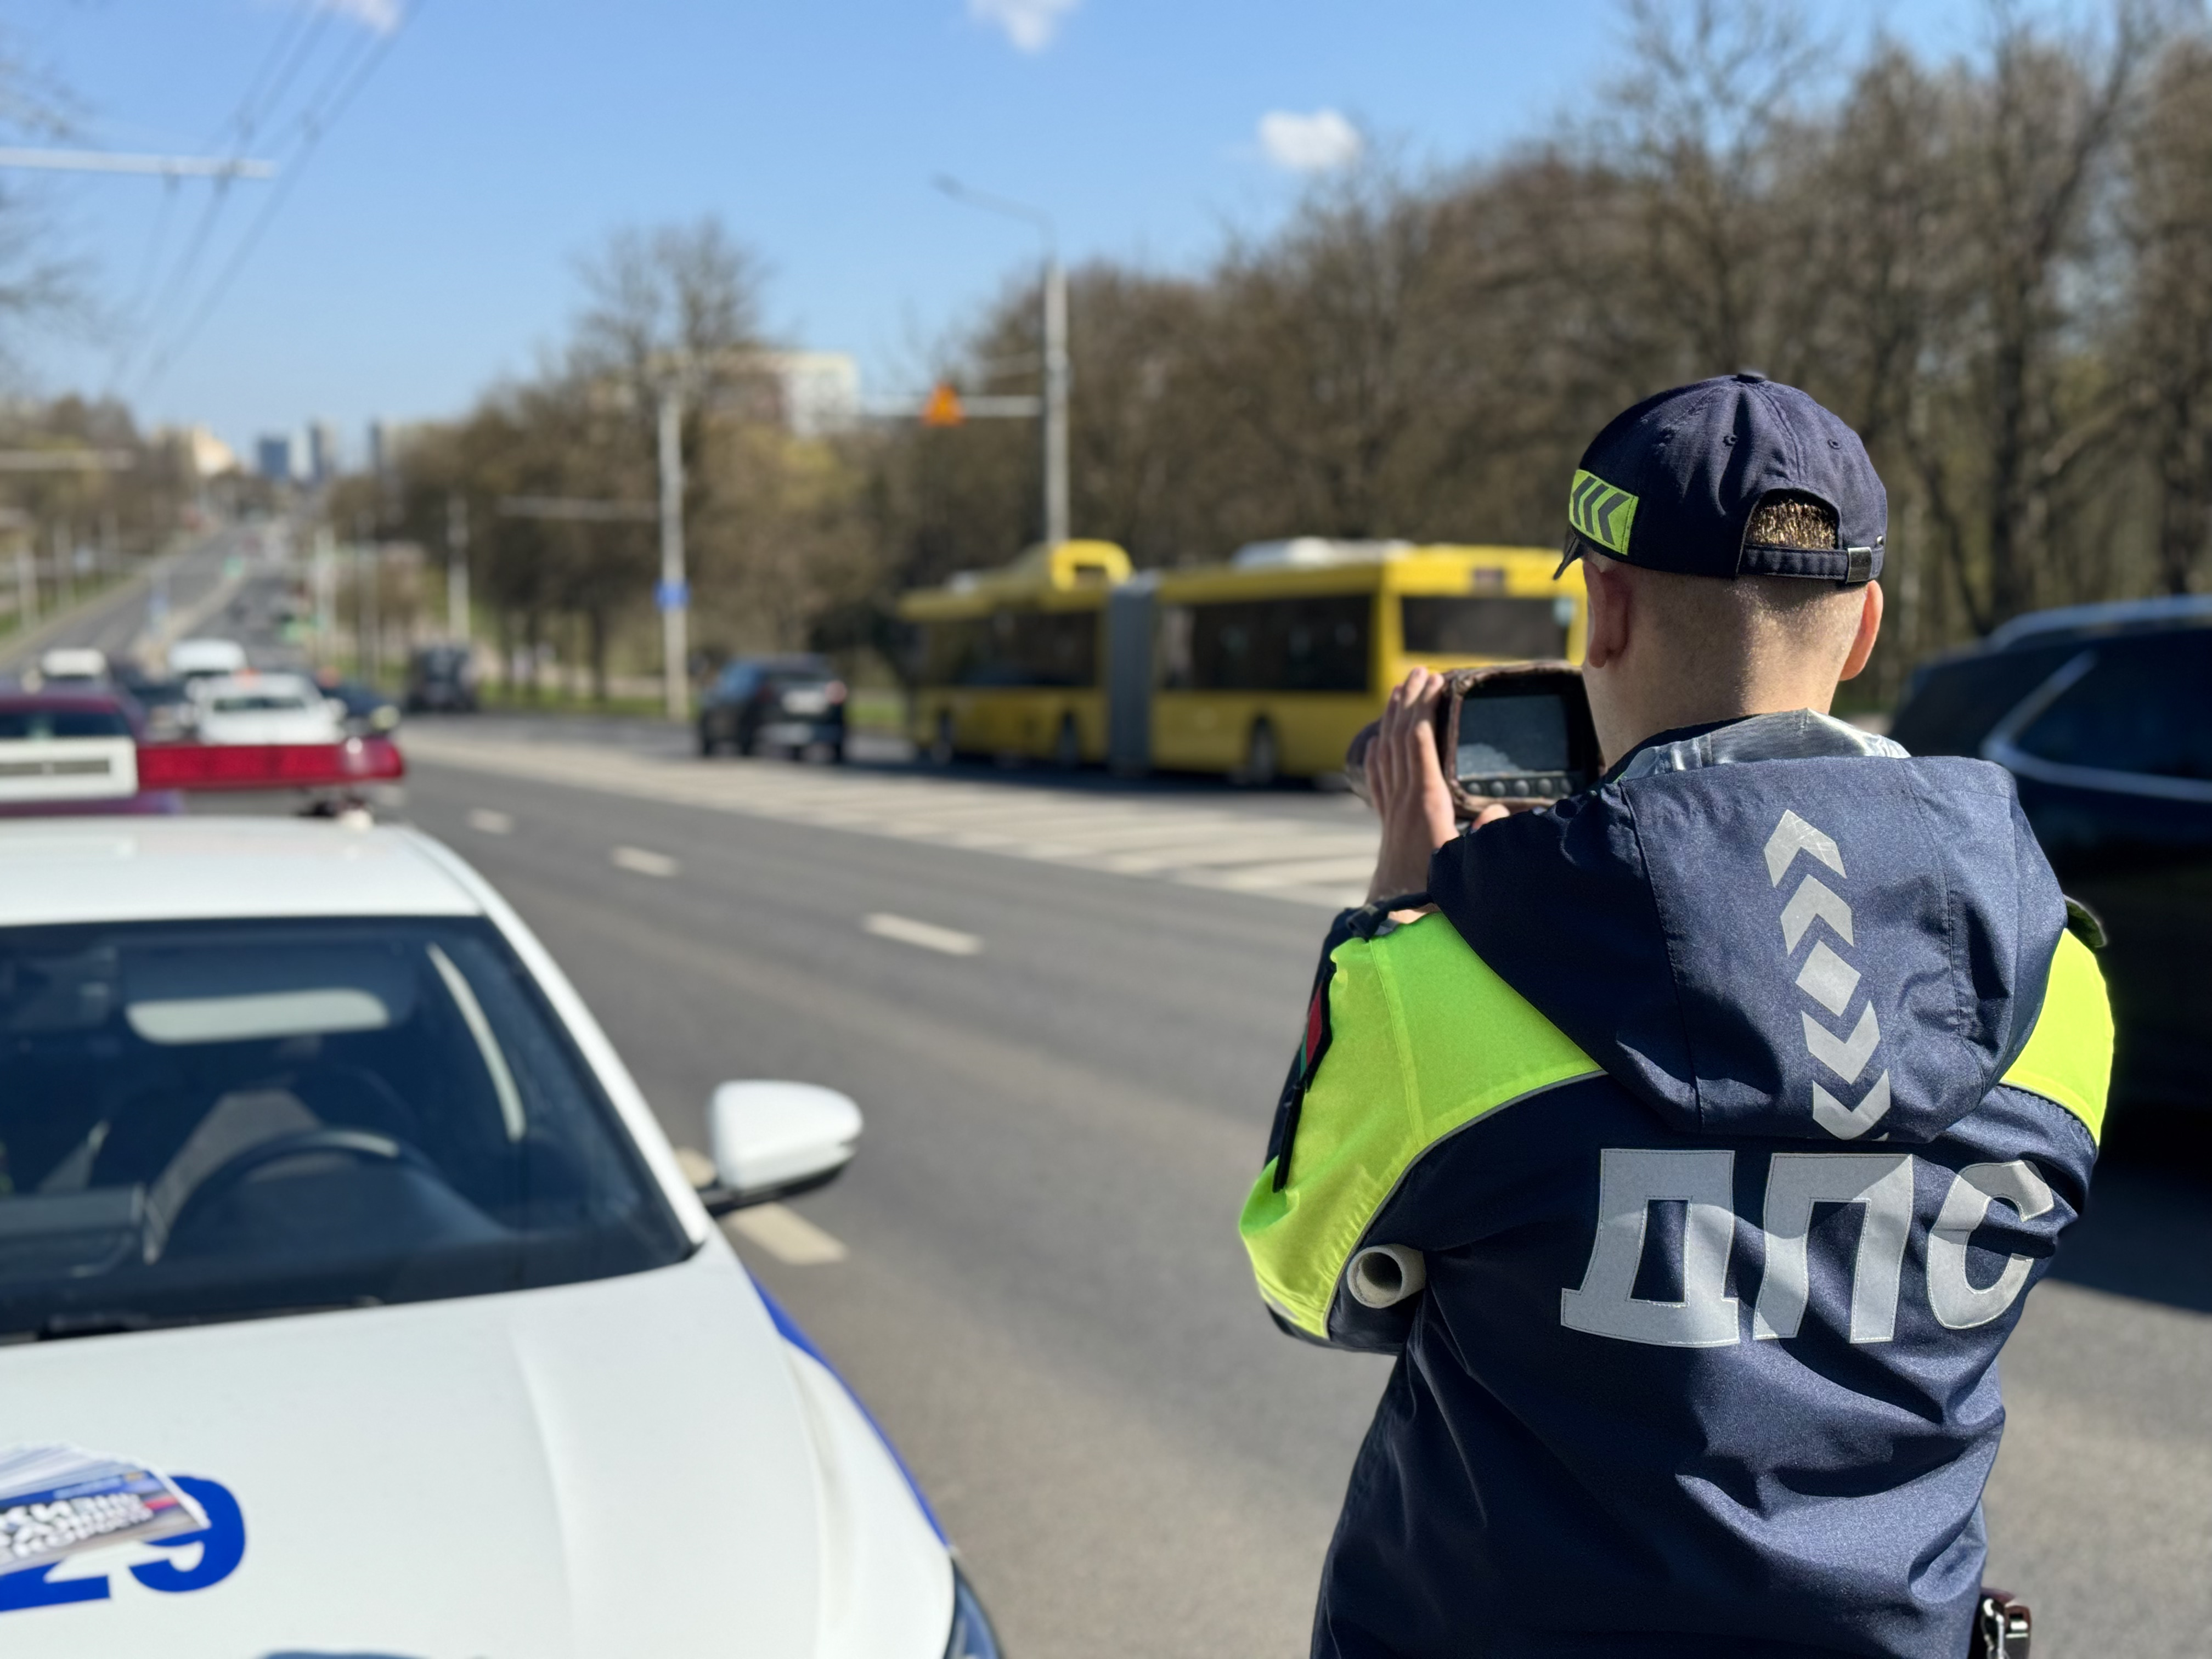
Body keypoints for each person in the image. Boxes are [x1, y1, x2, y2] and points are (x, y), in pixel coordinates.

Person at [1240, 373, 2112, 1657]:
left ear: (1604, 610)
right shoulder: (2054, 978)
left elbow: (1311, 1287)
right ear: (1863, 631)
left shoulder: (1446, 975)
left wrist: (1403, 903)